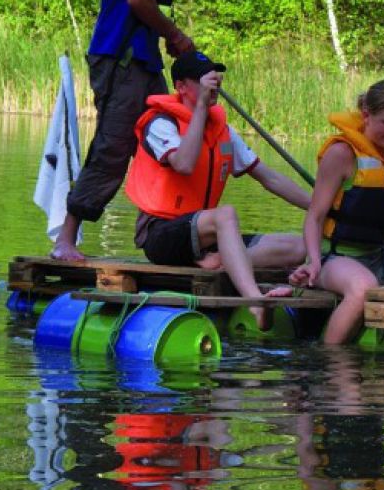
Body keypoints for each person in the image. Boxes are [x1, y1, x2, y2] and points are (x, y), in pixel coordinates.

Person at [51, 0, 204, 261]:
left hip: (140, 57)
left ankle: (163, 235)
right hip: (124, 57)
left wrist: (162, 37)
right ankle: (65, 240)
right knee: (114, 145)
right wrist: (174, 33)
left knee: (163, 136)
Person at [124, 51, 310, 329]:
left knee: (299, 246)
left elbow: (269, 178)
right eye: (203, 78)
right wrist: (200, 108)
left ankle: (222, 260)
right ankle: (255, 302)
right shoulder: (161, 123)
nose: (214, 82)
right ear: (181, 86)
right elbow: (184, 164)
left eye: (215, 75)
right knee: (225, 215)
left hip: (206, 236)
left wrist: (320, 207)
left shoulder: (222, 131)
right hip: (161, 234)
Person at [291, 81, 384, 343]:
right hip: (335, 258)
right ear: (366, 115)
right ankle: (328, 361)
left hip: (379, 256)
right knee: (363, 288)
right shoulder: (341, 153)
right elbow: (315, 217)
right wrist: (313, 262)